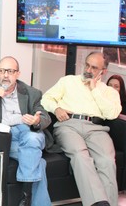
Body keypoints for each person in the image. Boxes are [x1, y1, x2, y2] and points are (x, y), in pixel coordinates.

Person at [41, 52, 121, 206]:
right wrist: (56, 108)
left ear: (103, 72)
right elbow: (46, 98)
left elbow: (112, 114)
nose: (88, 70)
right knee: (80, 155)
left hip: (97, 128)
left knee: (107, 160)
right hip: (69, 125)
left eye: (94, 68)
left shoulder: (108, 91)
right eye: (87, 65)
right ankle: (98, 203)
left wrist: (94, 90)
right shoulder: (68, 81)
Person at [0, 56, 51, 206]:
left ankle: (25, 198)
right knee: (38, 161)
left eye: (10, 71)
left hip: (27, 131)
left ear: (18, 74)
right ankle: (27, 196)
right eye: (2, 71)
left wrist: (36, 121)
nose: (5, 75)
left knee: (32, 139)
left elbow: (45, 116)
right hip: (7, 137)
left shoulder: (31, 92)